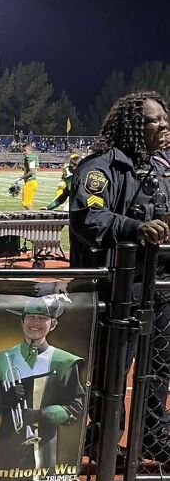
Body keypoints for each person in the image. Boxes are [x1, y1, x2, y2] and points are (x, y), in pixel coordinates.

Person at [69, 91, 170, 462]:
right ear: (132, 125)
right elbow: (87, 220)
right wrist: (136, 228)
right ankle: (103, 444)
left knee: (157, 370)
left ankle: (153, 439)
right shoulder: (101, 167)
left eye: (165, 118)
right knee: (111, 373)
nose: (164, 125)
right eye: (154, 119)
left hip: (158, 288)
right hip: (117, 289)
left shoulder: (160, 168)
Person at [0, 296, 85, 470]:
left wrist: (42, 415)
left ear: (53, 324)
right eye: (31, 317)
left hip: (46, 445)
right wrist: (3, 400)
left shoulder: (63, 361)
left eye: (43, 318)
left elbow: (76, 405)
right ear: (22, 322)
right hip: (7, 445)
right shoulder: (3, 359)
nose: (36, 322)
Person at [15, 142, 39, 210]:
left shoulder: (30, 157)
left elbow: (32, 171)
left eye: (25, 150)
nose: (23, 152)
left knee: (26, 203)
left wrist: (20, 178)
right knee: (27, 203)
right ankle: (31, 216)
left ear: (29, 150)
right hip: (30, 182)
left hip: (30, 182)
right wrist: (24, 167)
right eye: (23, 151)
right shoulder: (32, 157)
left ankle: (32, 217)